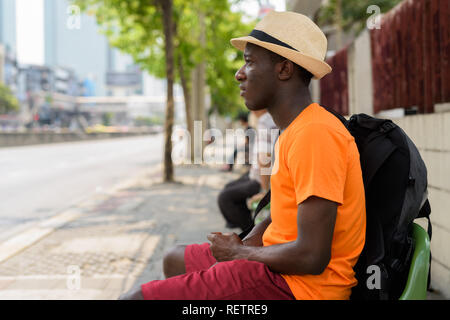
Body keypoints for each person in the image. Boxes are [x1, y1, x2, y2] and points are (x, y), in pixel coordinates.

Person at [120, 11, 366, 300]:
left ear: (284, 69)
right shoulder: (295, 128)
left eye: (249, 62)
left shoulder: (316, 133)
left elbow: (312, 256)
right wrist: (250, 239)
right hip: (280, 271)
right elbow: (283, 216)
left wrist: (240, 253)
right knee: (174, 259)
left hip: (300, 289)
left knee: (136, 298)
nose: (239, 73)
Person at [217, 109, 277, 231]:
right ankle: (250, 229)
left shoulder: (266, 121)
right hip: (254, 175)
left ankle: (250, 233)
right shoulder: (265, 120)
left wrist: (264, 191)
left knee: (225, 198)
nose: (242, 91)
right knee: (228, 188)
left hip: (259, 181)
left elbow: (265, 159)